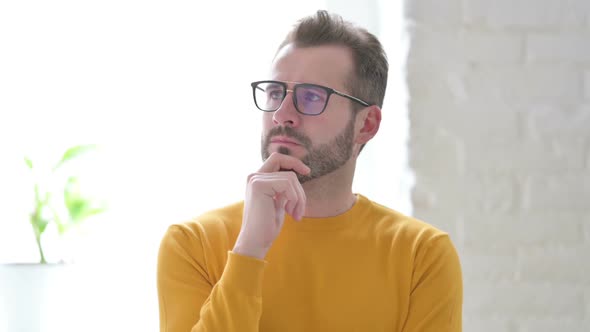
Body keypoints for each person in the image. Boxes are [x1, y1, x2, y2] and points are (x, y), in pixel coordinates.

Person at [157, 10, 463, 332]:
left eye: (312, 96)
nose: (282, 115)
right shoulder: (193, 244)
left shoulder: (422, 256)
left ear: (367, 125)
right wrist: (249, 252)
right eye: (275, 93)